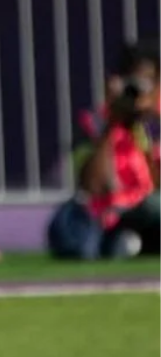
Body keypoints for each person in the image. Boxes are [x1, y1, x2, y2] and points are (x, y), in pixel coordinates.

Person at [53, 38, 160, 259]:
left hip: (146, 210)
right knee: (71, 232)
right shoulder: (93, 123)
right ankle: (119, 242)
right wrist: (112, 123)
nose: (138, 91)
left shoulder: (152, 127)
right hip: (103, 213)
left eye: (148, 82)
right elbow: (93, 186)